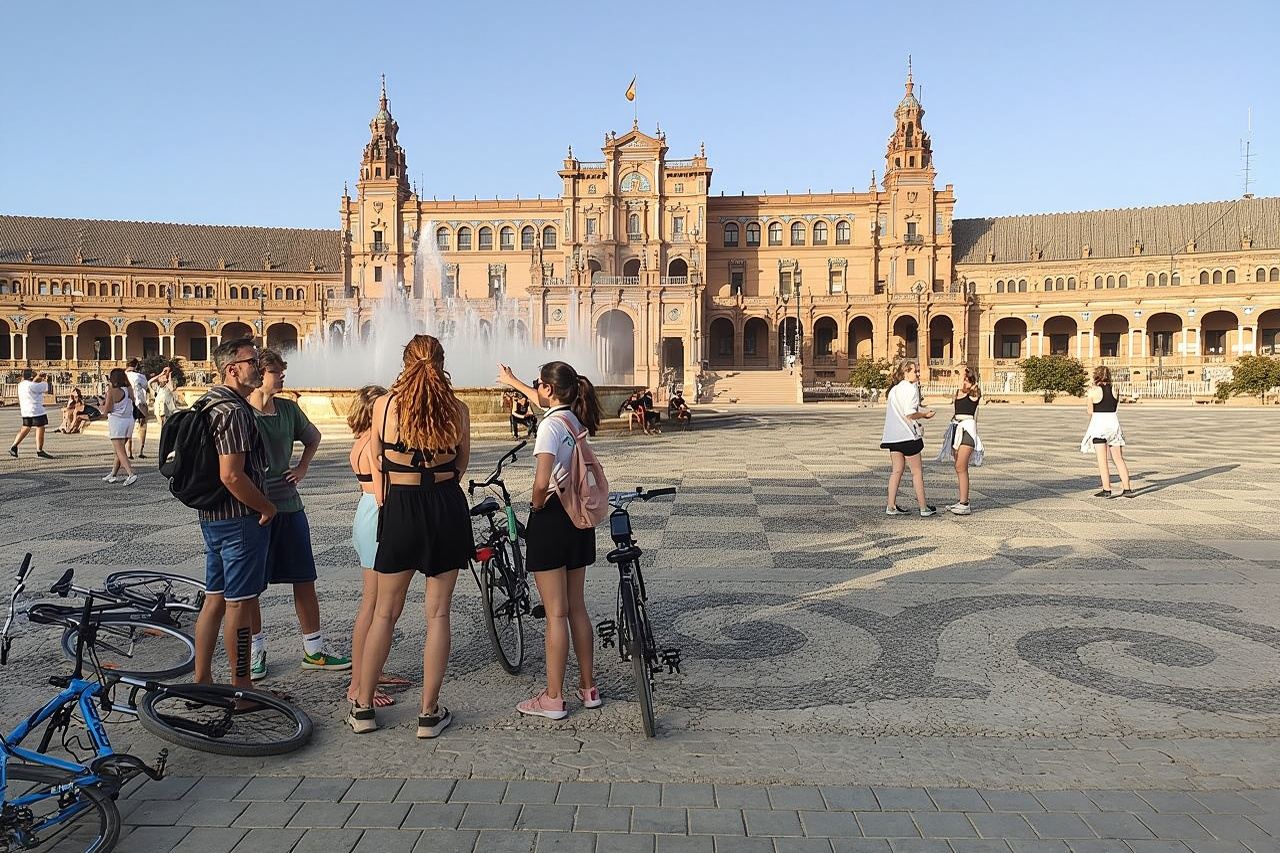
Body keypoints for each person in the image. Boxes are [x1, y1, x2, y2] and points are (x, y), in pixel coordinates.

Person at [348, 334, 471, 738]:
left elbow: (379, 465)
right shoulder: (458, 410)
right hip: (444, 506)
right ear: (442, 361)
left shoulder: (383, 407)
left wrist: (388, 501)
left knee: (385, 610)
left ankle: (363, 707)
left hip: (399, 506)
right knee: (437, 614)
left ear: (404, 363)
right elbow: (460, 468)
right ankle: (428, 713)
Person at [497, 360, 603, 720]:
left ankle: (554, 698)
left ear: (548, 389)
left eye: (537, 384)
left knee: (555, 612)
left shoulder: (548, 429)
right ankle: (589, 689)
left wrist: (535, 504)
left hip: (553, 517)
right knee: (577, 607)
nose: (535, 389)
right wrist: (513, 380)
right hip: (579, 519)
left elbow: (541, 482)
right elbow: (546, 401)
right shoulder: (574, 419)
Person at [248, 349, 349, 680]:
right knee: (252, 586)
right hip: (253, 509)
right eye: (276, 372)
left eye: (281, 371)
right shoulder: (242, 412)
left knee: (304, 579)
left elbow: (313, 437)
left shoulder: (288, 409)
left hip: (289, 504)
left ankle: (314, 649)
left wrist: (302, 468)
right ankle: (256, 651)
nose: (281, 377)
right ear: (260, 373)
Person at [190, 338, 275, 694]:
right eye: (252, 361)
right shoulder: (234, 411)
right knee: (238, 604)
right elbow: (232, 474)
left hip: (212, 516)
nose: (258, 365)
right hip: (239, 519)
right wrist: (266, 507)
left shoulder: (205, 402)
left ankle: (202, 679)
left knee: (215, 598)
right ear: (232, 369)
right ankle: (242, 688)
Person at [345, 384, 406, 709]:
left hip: (366, 511)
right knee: (375, 605)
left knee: (380, 605)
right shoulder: (373, 445)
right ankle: (358, 684)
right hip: (378, 515)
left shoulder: (362, 440)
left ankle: (372, 669)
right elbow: (385, 488)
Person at [880, 360, 936, 516]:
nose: (918, 373)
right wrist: (925, 415)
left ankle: (891, 505)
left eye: (918, 371)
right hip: (907, 436)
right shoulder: (911, 389)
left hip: (893, 437)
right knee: (916, 472)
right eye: (915, 371)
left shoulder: (894, 390)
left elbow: (902, 410)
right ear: (906, 372)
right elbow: (909, 413)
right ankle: (923, 507)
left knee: (896, 471)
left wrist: (922, 410)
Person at [934, 366, 984, 515]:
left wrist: (967, 375)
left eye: (967, 381)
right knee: (958, 466)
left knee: (961, 466)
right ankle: (962, 500)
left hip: (967, 431)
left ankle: (965, 503)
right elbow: (957, 387)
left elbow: (971, 388)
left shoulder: (974, 393)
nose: (964, 383)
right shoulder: (958, 392)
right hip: (956, 429)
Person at [1081, 365, 1133, 498]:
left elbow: (1090, 411)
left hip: (1099, 425)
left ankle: (1107, 489)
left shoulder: (1093, 390)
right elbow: (1115, 406)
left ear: (1095, 376)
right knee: (1118, 458)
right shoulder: (1115, 389)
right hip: (1113, 424)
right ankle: (1127, 488)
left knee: (1102, 460)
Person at [101, 369, 138, 485]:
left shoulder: (112, 391)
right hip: (129, 421)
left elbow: (107, 410)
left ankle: (131, 473)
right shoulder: (128, 389)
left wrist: (101, 406)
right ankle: (113, 474)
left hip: (117, 421)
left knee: (120, 450)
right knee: (119, 450)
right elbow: (133, 400)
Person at [10, 369, 55, 459]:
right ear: (31, 377)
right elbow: (47, 389)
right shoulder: (33, 385)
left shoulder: (21, 385)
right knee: (40, 428)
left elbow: (33, 383)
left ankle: (14, 446)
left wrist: (37, 378)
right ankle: (39, 450)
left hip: (25, 411)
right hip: (36, 410)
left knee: (25, 428)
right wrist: (45, 379)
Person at [124, 358, 150, 459]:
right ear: (136, 365)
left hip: (127, 403)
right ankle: (140, 450)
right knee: (142, 425)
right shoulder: (139, 376)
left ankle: (129, 452)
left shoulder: (123, 375)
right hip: (139, 402)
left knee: (129, 426)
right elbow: (146, 387)